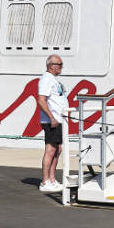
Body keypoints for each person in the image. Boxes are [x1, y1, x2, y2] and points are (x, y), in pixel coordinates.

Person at [35, 53, 67, 193]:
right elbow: (41, 100)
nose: (61, 67)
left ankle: (52, 180)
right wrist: (52, 118)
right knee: (50, 150)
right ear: (52, 66)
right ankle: (45, 181)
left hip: (58, 120)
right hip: (51, 121)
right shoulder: (46, 79)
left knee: (57, 149)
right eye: (60, 64)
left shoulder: (53, 80)